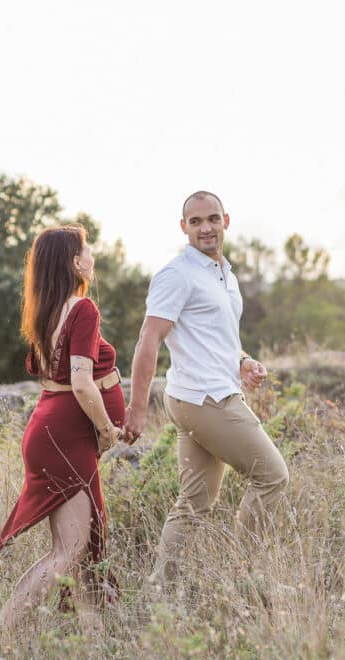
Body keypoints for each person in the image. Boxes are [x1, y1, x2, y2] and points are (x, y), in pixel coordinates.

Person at [0, 224, 125, 632]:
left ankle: (94, 642)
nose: (93, 256)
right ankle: (0, 632)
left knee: (80, 548)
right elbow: (81, 381)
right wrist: (106, 430)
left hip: (51, 430)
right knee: (69, 550)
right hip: (66, 437)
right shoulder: (83, 309)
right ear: (74, 261)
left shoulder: (47, 311)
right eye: (88, 250)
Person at [123, 191, 290, 585]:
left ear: (226, 221)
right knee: (272, 476)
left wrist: (242, 361)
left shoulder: (225, 275)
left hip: (205, 392)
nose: (206, 228)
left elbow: (216, 339)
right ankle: (246, 577)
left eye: (212, 219)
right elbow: (149, 339)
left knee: (194, 503)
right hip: (205, 399)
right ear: (183, 228)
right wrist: (137, 409)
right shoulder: (176, 274)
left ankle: (161, 593)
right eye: (195, 222)